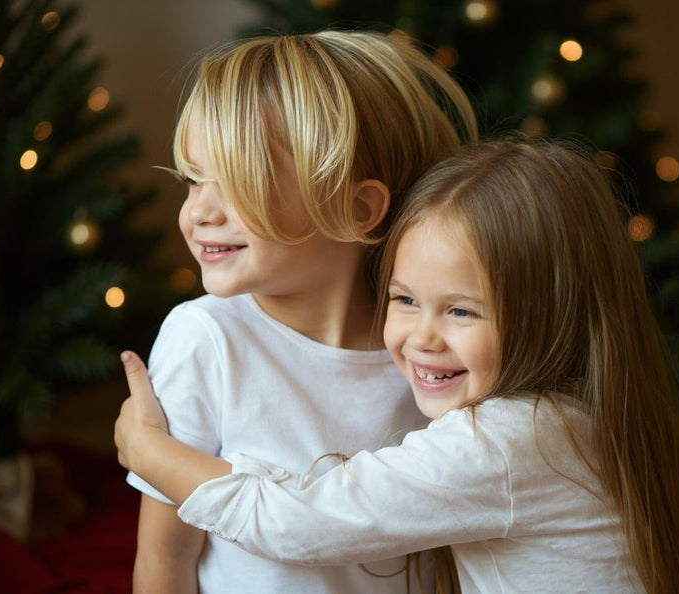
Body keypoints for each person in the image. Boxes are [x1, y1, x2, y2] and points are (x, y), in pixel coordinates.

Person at [118, 139, 679, 593]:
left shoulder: (507, 441)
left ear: (554, 313)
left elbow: (297, 524)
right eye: (405, 300)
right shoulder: (581, 414)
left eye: (462, 312)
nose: (421, 338)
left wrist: (149, 453)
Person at [126, 31, 477, 593]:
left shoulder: (430, 350)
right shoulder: (206, 338)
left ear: (359, 209)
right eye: (194, 180)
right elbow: (164, 561)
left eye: (240, 180)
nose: (199, 212)